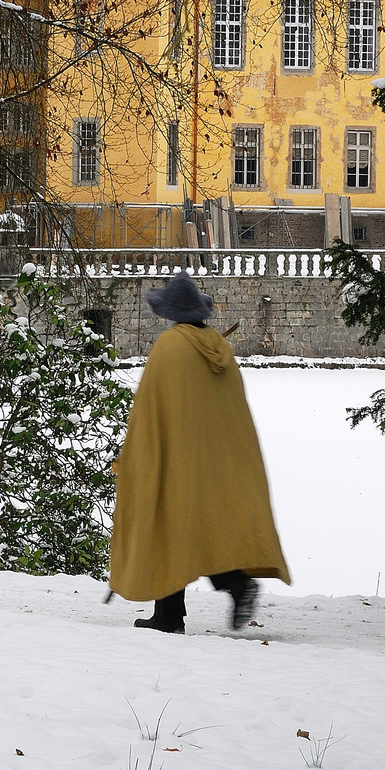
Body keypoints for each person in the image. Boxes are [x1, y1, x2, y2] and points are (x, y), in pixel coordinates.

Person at [108, 271, 290, 633]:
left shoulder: (170, 346)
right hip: (217, 461)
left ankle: (176, 614)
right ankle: (221, 593)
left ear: (170, 312)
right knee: (203, 530)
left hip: (177, 459)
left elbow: (149, 410)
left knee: (169, 526)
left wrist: (137, 455)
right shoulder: (220, 348)